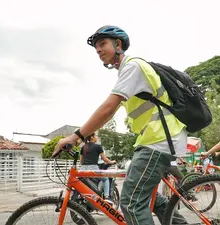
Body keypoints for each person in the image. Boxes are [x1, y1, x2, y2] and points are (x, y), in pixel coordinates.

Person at [54, 25, 190, 224]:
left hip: (159, 140)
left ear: (118, 44)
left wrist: (76, 136)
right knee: (150, 200)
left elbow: (108, 108)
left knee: (131, 203)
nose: (98, 50)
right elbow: (108, 113)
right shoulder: (128, 70)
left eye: (102, 44)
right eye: (96, 47)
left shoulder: (132, 67)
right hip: (155, 139)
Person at [80, 133, 115, 204]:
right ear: (92, 137)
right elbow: (104, 159)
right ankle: (107, 197)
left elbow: (81, 161)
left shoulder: (83, 147)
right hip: (93, 169)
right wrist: (111, 162)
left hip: (82, 170)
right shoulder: (98, 147)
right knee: (106, 179)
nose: (97, 137)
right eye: (95, 136)